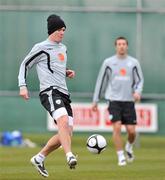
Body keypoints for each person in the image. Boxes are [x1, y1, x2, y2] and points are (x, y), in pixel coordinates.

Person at [18, 14, 77, 177]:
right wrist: (22, 85)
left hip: (64, 93)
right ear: (52, 30)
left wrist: (66, 72)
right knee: (63, 122)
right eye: (59, 29)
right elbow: (25, 64)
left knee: (67, 132)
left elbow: (53, 67)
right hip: (49, 91)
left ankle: (39, 157)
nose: (62, 32)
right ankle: (69, 155)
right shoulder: (41, 47)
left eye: (64, 29)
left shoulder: (63, 48)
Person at [92, 36, 144, 166]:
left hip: (129, 101)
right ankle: (121, 156)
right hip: (113, 100)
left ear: (127, 46)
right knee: (116, 127)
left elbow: (140, 80)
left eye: (124, 44)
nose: (121, 46)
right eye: (119, 44)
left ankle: (128, 147)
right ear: (116, 46)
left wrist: (138, 92)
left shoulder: (133, 63)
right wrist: (95, 100)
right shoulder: (108, 62)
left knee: (132, 132)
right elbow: (101, 81)